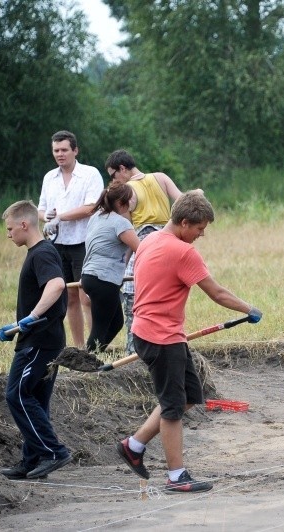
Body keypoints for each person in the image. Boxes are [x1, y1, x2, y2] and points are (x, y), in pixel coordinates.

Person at [115, 191, 263, 493]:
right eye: (199, 228)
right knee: (172, 408)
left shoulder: (151, 240)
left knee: (189, 396)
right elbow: (217, 293)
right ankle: (176, 476)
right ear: (184, 222)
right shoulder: (183, 252)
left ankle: (134, 445)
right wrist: (249, 309)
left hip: (157, 333)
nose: (202, 234)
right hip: (160, 338)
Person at [0, 200, 72, 480]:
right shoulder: (40, 252)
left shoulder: (41, 253)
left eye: (9, 229)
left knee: (16, 393)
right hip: (46, 339)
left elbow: (56, 285)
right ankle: (31, 460)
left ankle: (54, 452)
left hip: (39, 341)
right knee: (37, 401)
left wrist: (30, 317)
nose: (8, 234)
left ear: (24, 225)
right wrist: (19, 324)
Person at [104, 149, 184, 355]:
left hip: (144, 244)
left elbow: (127, 229)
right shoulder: (161, 177)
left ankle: (134, 352)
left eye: (113, 175)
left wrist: (121, 265)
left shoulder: (126, 190)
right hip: (169, 241)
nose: (114, 180)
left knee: (132, 299)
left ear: (122, 169)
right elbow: (183, 203)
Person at [38, 130, 104, 348]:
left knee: (87, 296)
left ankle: (95, 345)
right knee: (70, 297)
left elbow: (91, 207)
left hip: (84, 242)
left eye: (64, 150)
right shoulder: (49, 177)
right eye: (56, 150)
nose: (60, 154)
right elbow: (42, 210)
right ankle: (79, 347)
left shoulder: (90, 174)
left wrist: (60, 217)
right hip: (57, 243)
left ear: (75, 150)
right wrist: (47, 217)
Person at [81, 184, 140, 353]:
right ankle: (86, 361)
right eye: (131, 199)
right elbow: (141, 249)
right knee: (99, 328)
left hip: (89, 276)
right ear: (122, 203)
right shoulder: (121, 223)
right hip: (103, 280)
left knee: (115, 323)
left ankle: (95, 356)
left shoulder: (97, 217)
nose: (133, 202)